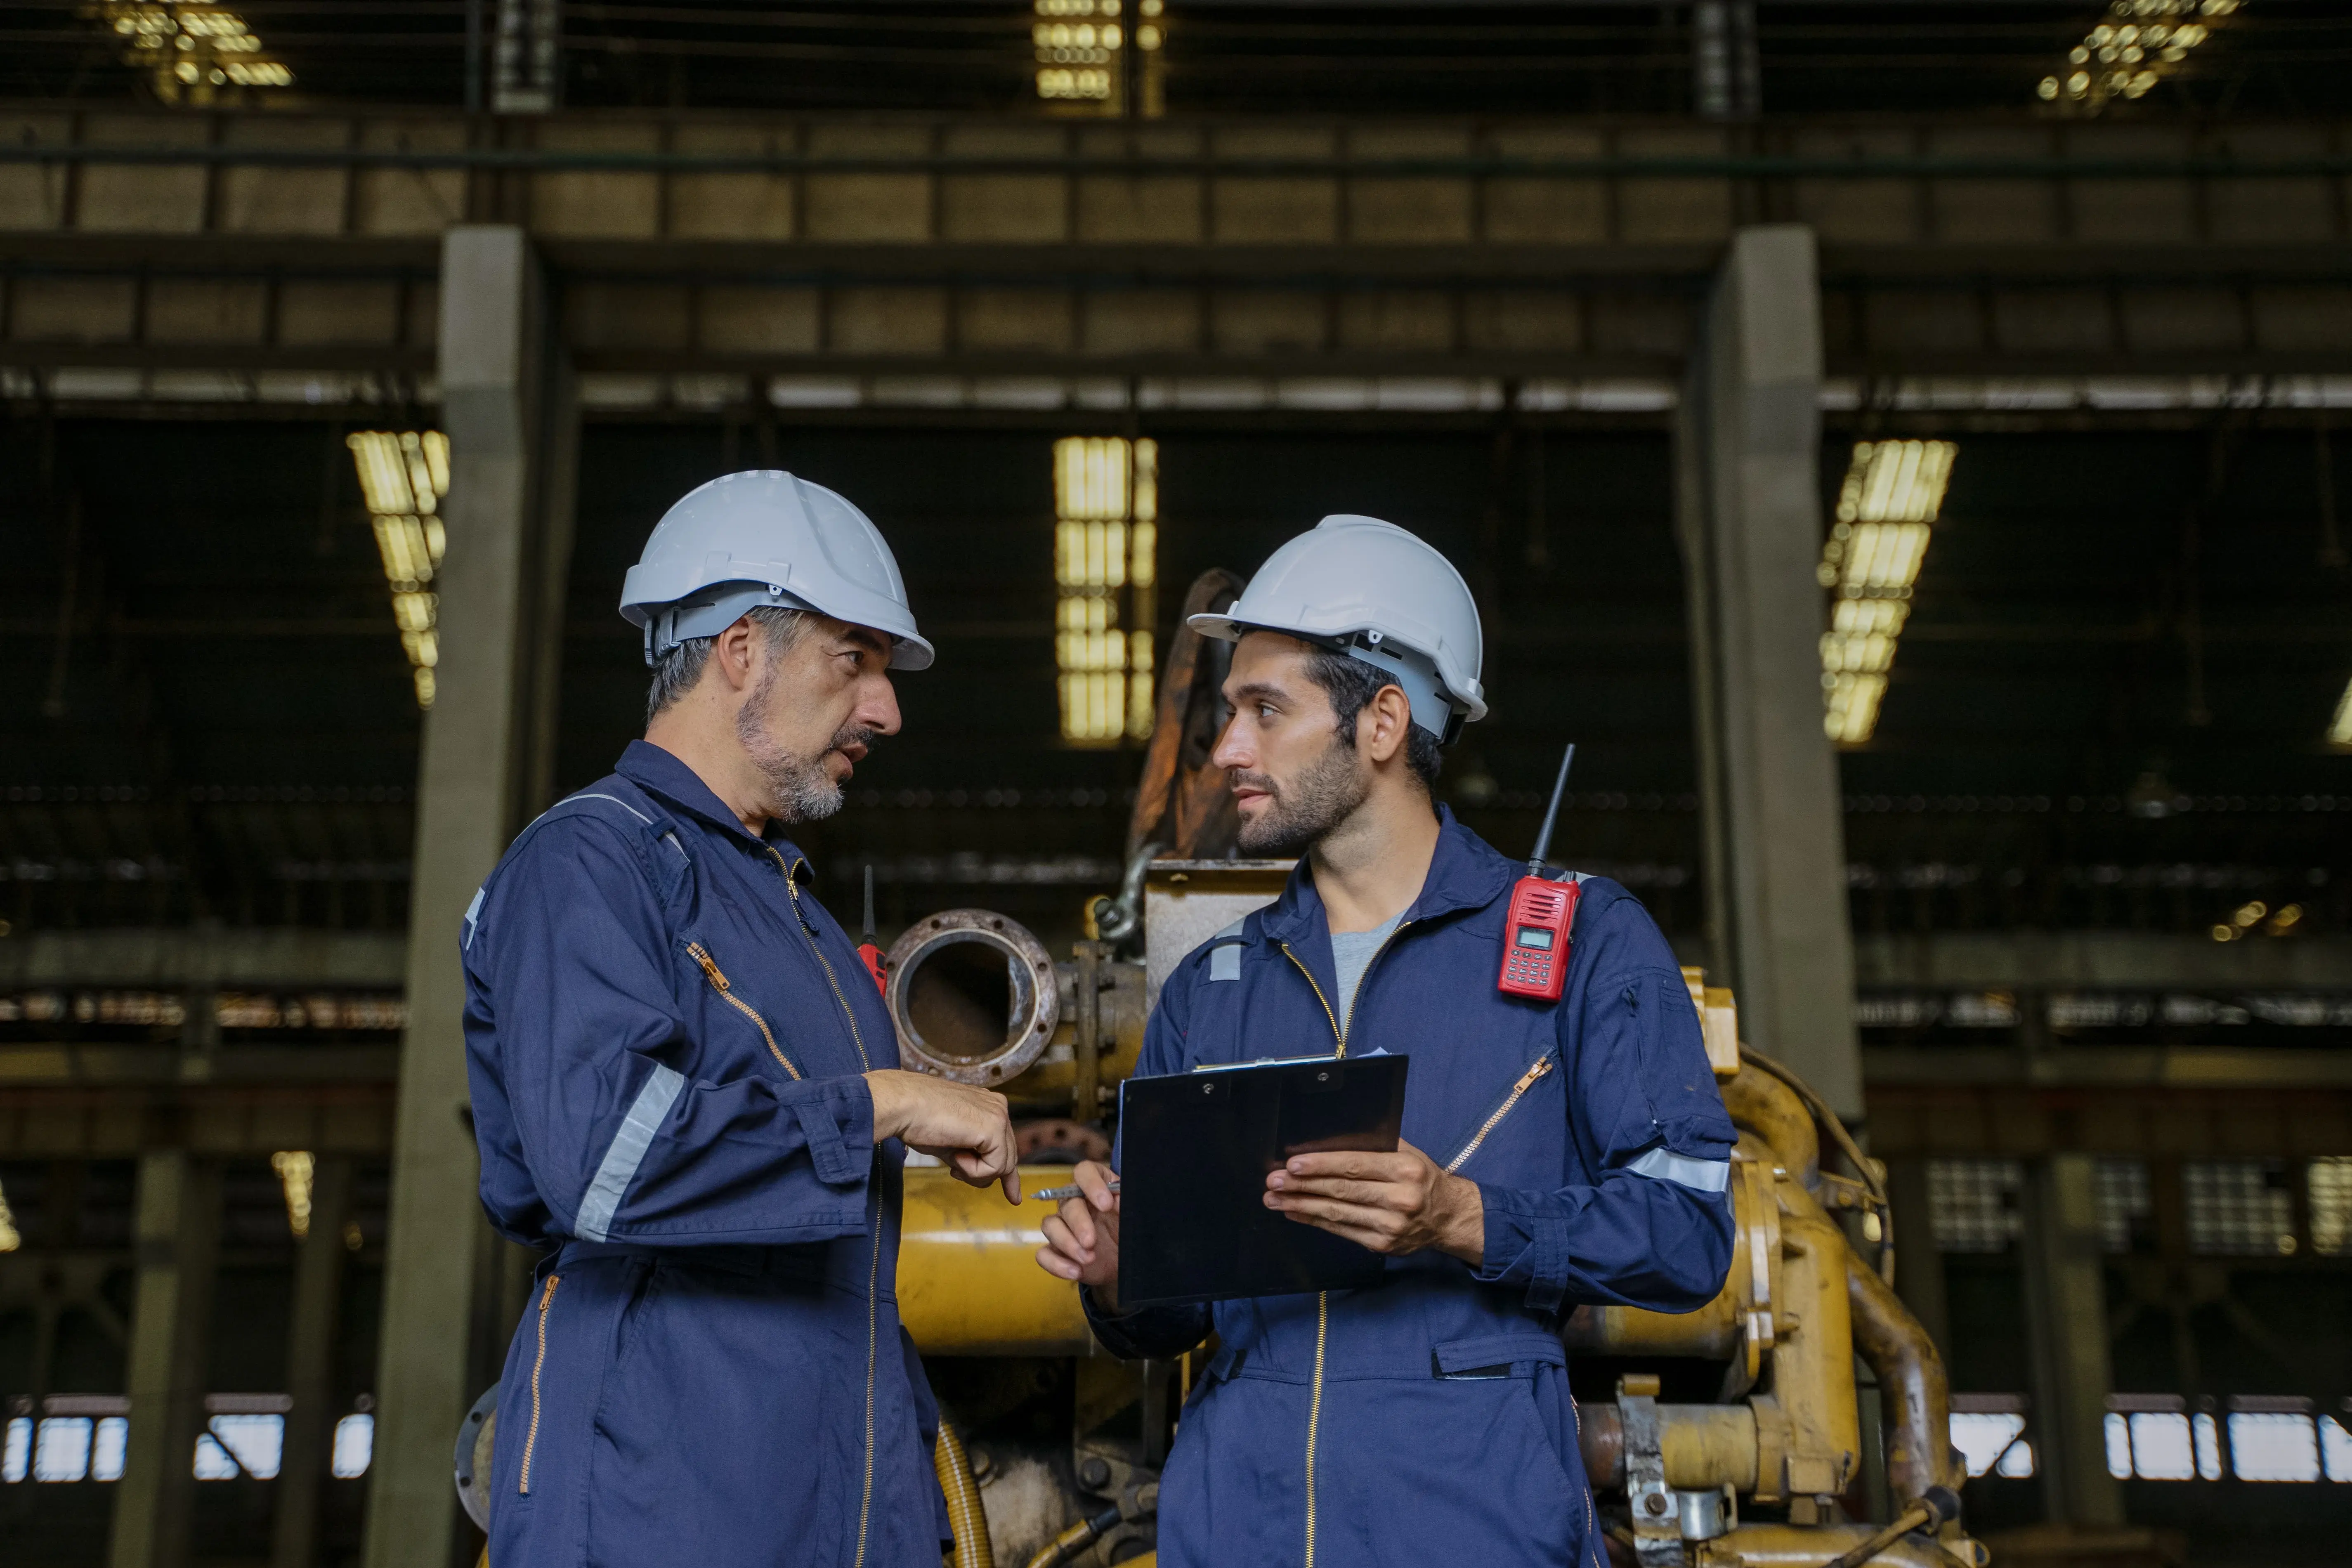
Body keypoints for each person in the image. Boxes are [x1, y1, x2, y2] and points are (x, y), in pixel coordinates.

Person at [1035, 515, 1738, 1568]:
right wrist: (1116, 1273)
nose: (1228, 748)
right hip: (1237, 1527)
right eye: (1232, 711)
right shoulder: (1216, 988)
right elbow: (1168, 1320)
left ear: (1383, 723)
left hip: (1471, 1524)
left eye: (1266, 711)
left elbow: (1688, 1235)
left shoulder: (1584, 940)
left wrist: (1466, 1218)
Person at [461, 472, 1020, 1568]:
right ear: (737, 652)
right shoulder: (594, 862)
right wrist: (886, 1100)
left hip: (829, 1501)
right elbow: (608, 1160)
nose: (886, 708)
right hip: (658, 1503)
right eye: (852, 660)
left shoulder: (790, 911)